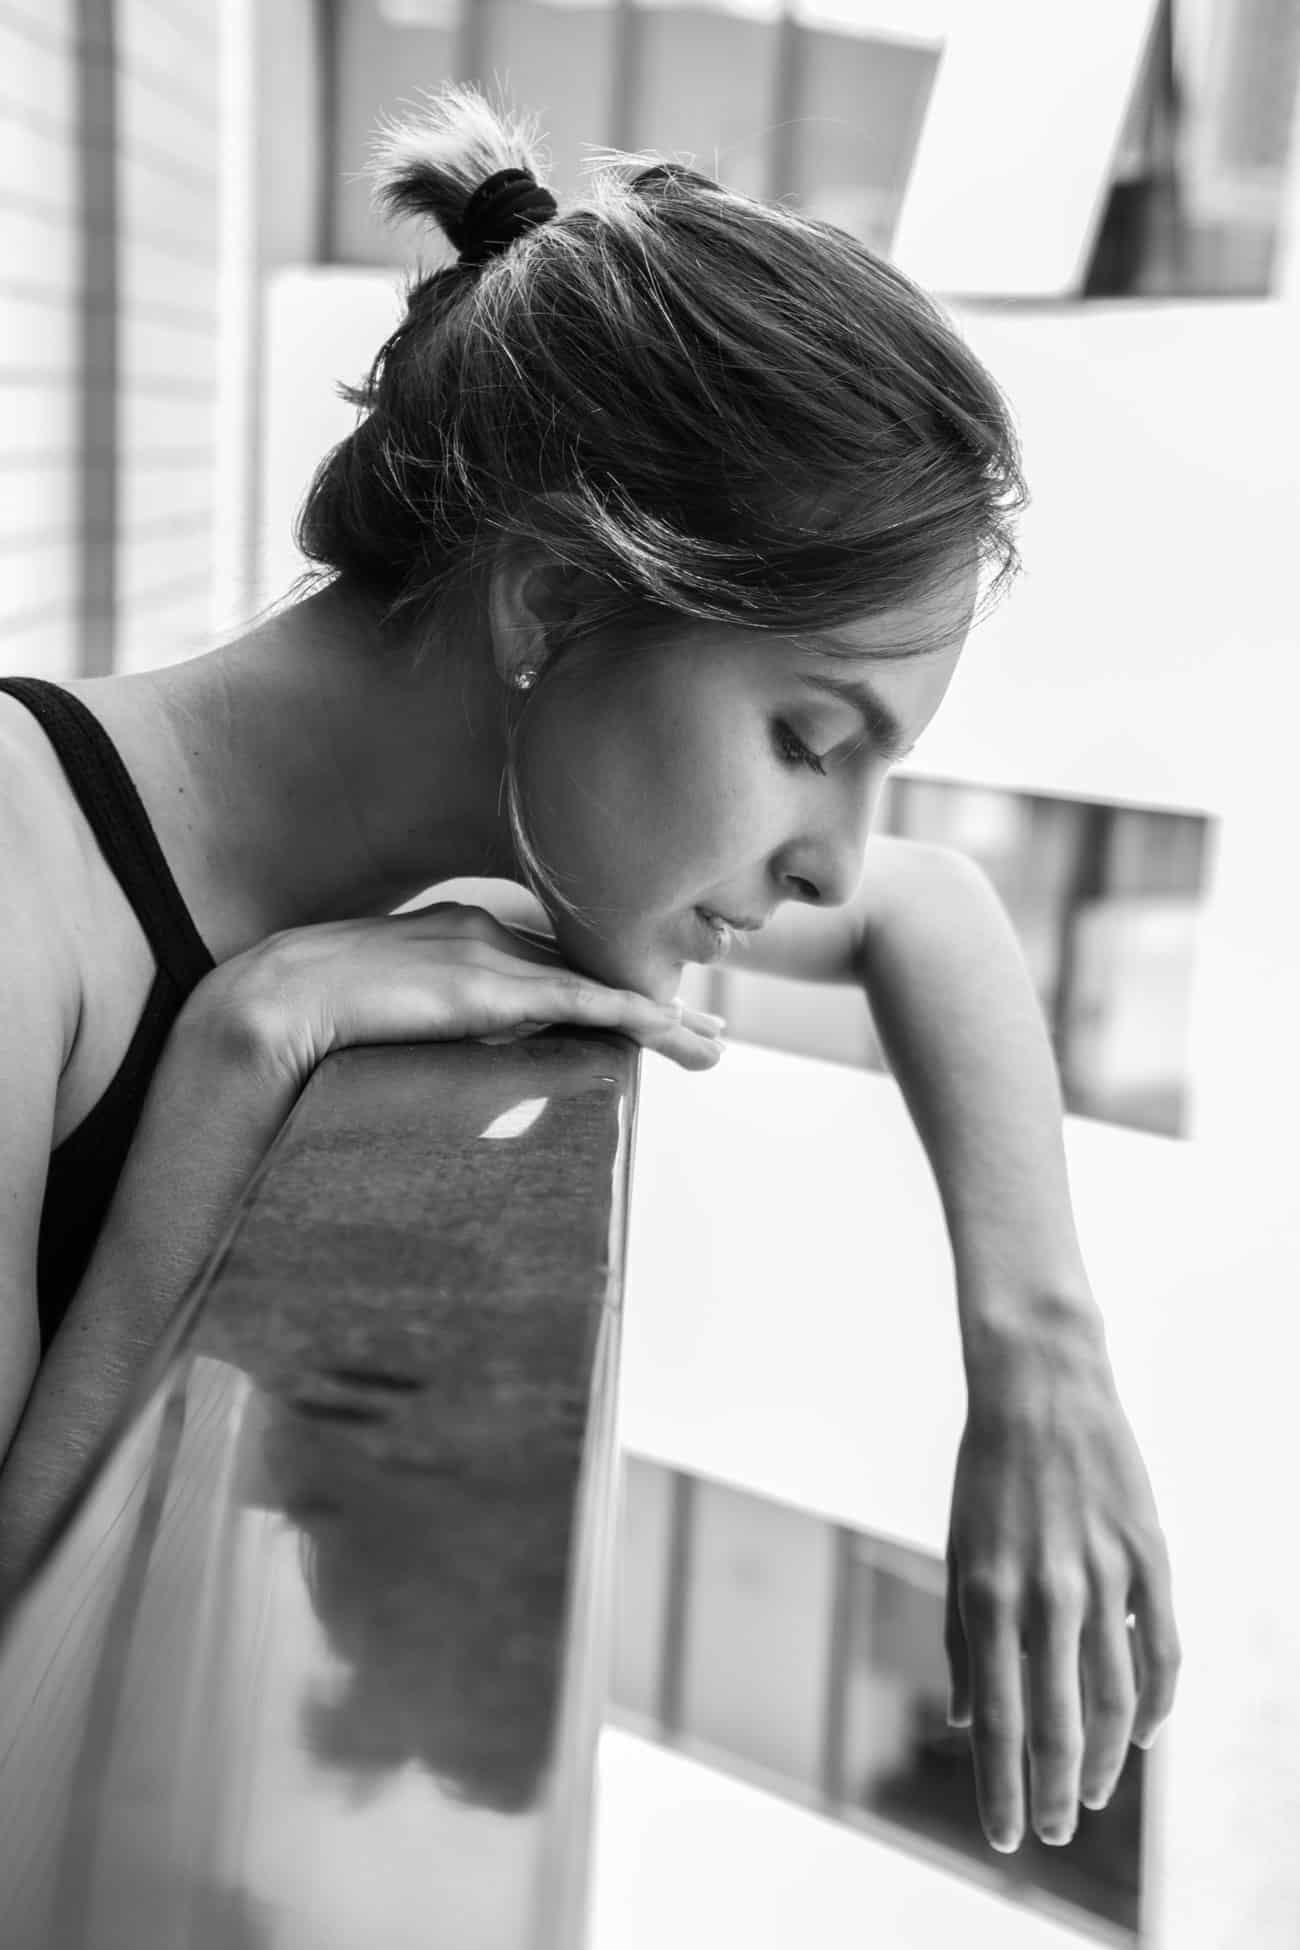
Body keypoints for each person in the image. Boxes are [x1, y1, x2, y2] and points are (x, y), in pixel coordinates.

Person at [0, 85, 1178, 1855]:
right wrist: (241, 1057)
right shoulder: (20, 886)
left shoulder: (507, 847)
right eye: (808, 740)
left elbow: (933, 910)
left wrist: (1041, 1359)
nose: (831, 859)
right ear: (552, 600)